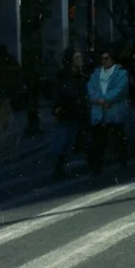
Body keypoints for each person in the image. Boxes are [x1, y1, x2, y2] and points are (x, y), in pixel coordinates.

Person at [87, 48, 130, 176]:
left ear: (112, 59)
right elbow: (90, 89)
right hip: (99, 113)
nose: (104, 61)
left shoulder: (121, 73)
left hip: (114, 111)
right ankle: (97, 167)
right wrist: (99, 100)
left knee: (117, 138)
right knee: (98, 141)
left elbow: (120, 89)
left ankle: (122, 162)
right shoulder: (95, 74)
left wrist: (105, 99)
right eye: (102, 59)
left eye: (107, 58)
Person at [51, 49, 89, 178]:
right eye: (76, 57)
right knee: (64, 140)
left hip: (80, 111)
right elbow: (60, 92)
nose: (79, 60)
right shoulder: (64, 75)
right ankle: (59, 167)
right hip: (67, 111)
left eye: (80, 57)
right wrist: (57, 107)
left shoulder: (81, 75)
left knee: (81, 138)